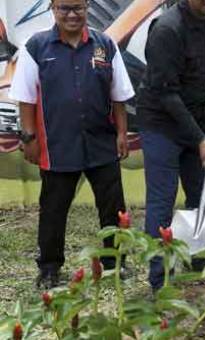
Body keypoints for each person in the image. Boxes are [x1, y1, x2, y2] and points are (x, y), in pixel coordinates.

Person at [9, 0, 135, 288]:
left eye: (78, 8)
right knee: (53, 209)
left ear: (87, 8)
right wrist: (29, 138)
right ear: (53, 8)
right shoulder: (37, 47)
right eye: (64, 8)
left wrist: (121, 133)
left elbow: (119, 95)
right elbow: (25, 97)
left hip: (102, 143)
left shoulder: (105, 45)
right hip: (57, 145)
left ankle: (114, 263)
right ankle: (50, 268)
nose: (72, 14)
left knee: (113, 208)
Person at [137, 0, 205, 290]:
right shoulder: (167, 29)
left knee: (201, 191)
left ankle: (194, 262)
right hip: (162, 123)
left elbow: (198, 66)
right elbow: (166, 92)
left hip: (198, 114)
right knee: (162, 200)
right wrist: (200, 139)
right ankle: (159, 280)